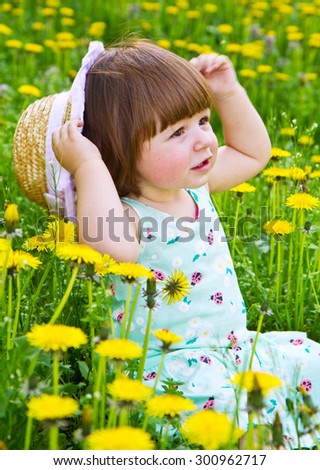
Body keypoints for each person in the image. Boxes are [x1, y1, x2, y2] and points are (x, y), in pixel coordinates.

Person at [52, 39, 320, 448]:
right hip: (175, 367)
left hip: (236, 346)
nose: (202, 141)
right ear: (117, 149)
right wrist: (88, 164)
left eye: (203, 121)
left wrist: (228, 93)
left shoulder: (196, 187)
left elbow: (253, 152)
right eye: (178, 132)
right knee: (232, 420)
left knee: (309, 363)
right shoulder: (127, 215)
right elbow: (113, 247)